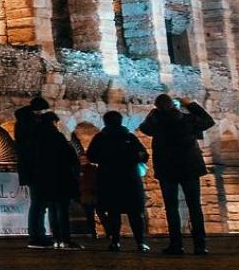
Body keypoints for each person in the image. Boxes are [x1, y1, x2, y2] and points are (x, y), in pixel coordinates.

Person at [138, 94, 215, 255]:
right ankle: (200, 245)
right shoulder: (187, 120)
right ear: (173, 105)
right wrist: (190, 104)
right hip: (190, 168)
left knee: (171, 208)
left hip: (167, 169)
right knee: (195, 207)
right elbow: (208, 121)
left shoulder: (157, 122)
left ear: (157, 107)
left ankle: (176, 244)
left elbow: (144, 128)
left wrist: (154, 112)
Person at [86, 110, 150, 252]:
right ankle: (140, 242)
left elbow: (91, 156)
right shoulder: (129, 137)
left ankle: (115, 241)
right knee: (135, 212)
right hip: (130, 179)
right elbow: (144, 155)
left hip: (109, 179)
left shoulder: (101, 138)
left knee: (113, 212)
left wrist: (106, 159)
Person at [31, 112, 82, 249]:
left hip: (45, 178)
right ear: (53, 122)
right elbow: (69, 155)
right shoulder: (56, 136)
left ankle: (56, 238)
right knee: (62, 209)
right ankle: (65, 238)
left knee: (52, 208)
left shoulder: (37, 138)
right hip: (60, 176)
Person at [13, 96, 50, 248]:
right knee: (38, 203)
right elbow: (31, 145)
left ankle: (38, 234)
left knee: (38, 204)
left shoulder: (23, 122)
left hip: (31, 168)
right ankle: (36, 235)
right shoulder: (30, 124)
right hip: (35, 168)